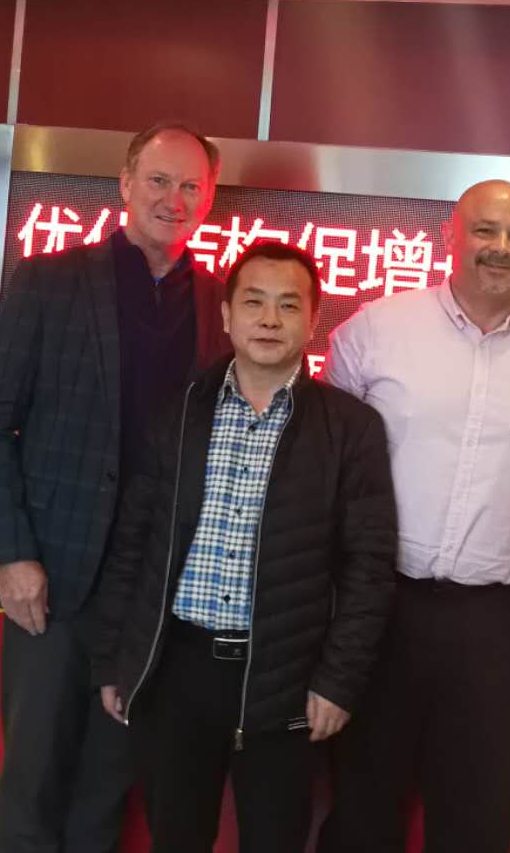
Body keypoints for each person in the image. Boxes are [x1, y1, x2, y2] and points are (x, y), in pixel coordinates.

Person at [0, 121, 229, 851]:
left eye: (191, 187)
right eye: (158, 181)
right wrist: (12, 553)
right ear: (124, 183)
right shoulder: (50, 281)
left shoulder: (218, 304)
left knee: (107, 791)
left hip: (150, 595)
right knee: (33, 783)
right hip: (51, 580)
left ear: (208, 199)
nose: (173, 200)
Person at [83, 240, 396, 853]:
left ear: (313, 320)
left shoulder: (349, 428)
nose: (270, 320)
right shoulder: (181, 411)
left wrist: (338, 682)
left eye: (288, 305)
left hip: (287, 673)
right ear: (227, 315)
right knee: (176, 837)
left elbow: (369, 568)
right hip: (177, 669)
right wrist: (114, 661)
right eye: (254, 302)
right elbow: (134, 544)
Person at [317, 179, 510, 853]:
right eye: (484, 230)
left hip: (496, 622)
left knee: (477, 814)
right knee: (362, 803)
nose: (500, 247)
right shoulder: (378, 329)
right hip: (379, 607)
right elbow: (323, 467)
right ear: (451, 235)